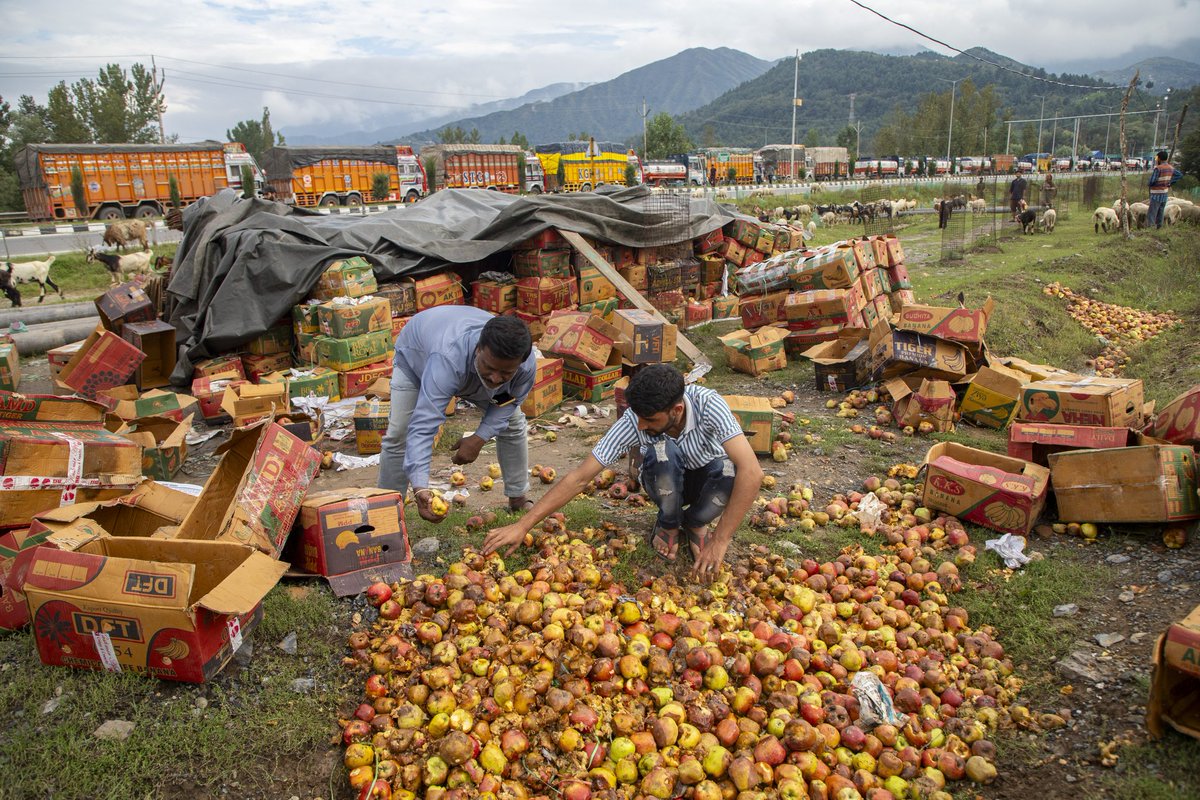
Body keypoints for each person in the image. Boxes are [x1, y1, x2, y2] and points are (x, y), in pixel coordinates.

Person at [482, 364, 763, 582]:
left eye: (650, 419)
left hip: (705, 481)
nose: (640, 425)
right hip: (665, 482)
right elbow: (581, 477)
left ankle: (694, 522)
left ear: (677, 409)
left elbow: (752, 471)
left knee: (730, 467)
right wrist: (523, 525)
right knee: (662, 451)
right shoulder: (635, 419)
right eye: (638, 417)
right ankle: (668, 523)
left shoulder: (708, 404)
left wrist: (721, 539)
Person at [378, 307, 536, 522]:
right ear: (479, 348)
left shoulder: (525, 366)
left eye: (506, 373)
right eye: (489, 367)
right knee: (399, 432)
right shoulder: (447, 359)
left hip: (463, 367)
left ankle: (518, 498)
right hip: (417, 358)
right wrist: (420, 487)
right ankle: (387, 514)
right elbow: (424, 425)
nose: (496, 379)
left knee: (513, 422)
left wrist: (480, 438)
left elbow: (508, 402)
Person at [1148, 150, 1183, 229]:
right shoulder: (1171, 168)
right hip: (1164, 194)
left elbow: (1152, 181)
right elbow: (1179, 175)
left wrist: (1150, 183)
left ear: (1159, 158)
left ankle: (1150, 229)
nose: (1156, 160)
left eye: (1157, 158)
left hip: (1156, 194)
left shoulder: (1158, 168)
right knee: (1160, 212)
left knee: (1152, 213)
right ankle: (1159, 228)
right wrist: (1170, 182)